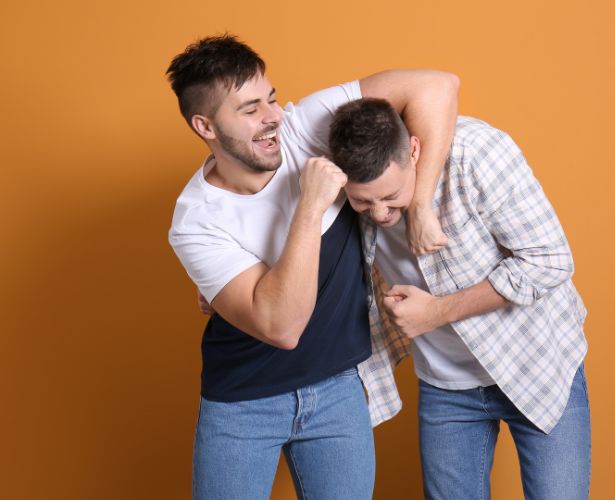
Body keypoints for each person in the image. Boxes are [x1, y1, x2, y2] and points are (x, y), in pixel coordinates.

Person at [165, 35, 458, 499]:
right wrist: (311, 203)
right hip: (243, 403)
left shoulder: (304, 127)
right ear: (205, 126)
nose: (273, 116)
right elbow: (283, 328)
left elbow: (438, 86)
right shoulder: (195, 221)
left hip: (338, 389)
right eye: (249, 110)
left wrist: (420, 206)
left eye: (271, 98)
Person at [328, 98, 590, 500]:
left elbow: (550, 262)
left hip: (537, 362)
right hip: (445, 385)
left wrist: (435, 312)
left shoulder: (477, 154)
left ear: (414, 150)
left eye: (392, 195)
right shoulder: (330, 177)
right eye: (363, 202)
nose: (380, 214)